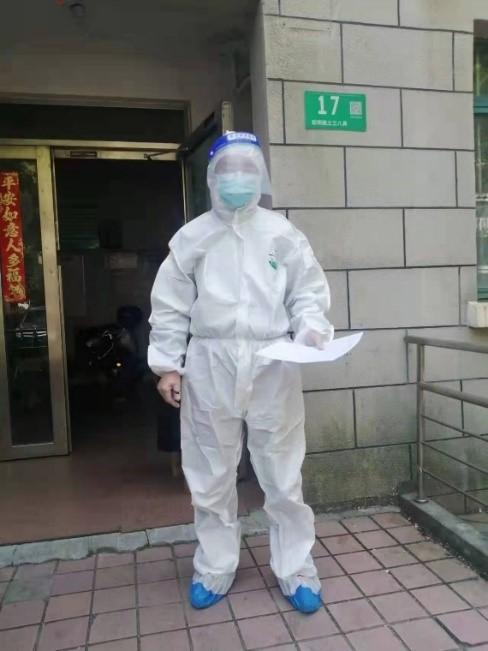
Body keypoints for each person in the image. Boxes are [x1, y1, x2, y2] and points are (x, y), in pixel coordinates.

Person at [148, 132, 334, 614]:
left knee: (282, 472)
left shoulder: (282, 233)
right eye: (228, 169)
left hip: (273, 360)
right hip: (210, 361)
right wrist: (168, 365)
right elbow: (169, 305)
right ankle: (215, 566)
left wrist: (311, 329)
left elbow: (307, 292)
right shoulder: (192, 237)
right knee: (210, 472)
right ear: (213, 177)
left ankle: (296, 569)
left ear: (260, 175)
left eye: (247, 168)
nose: (237, 178)